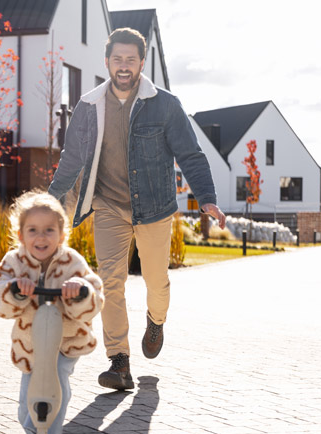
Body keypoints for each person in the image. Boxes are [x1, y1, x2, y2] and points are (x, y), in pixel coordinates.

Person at [48, 28, 226, 390]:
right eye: (118, 59)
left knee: (156, 281)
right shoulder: (89, 106)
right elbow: (72, 158)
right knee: (110, 282)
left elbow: (190, 154)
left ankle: (156, 321)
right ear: (107, 62)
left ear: (142, 63)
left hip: (155, 208)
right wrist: (50, 201)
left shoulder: (164, 104)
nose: (124, 66)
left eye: (131, 59)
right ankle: (119, 361)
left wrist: (206, 197)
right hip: (108, 206)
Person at [0, 191, 104, 434]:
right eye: (33, 230)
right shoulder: (14, 262)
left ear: (61, 235)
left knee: (56, 381)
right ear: (21, 235)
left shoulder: (72, 261)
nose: (41, 237)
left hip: (66, 341)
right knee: (27, 401)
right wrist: (15, 290)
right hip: (30, 343)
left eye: (49, 230)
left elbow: (95, 294)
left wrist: (80, 290)